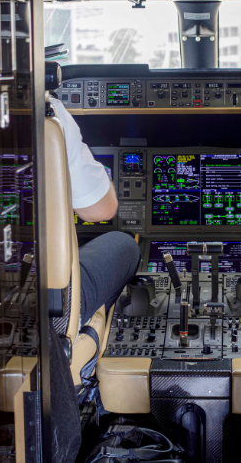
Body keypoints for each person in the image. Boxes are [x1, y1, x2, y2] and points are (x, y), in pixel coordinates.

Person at [49, 96, 141, 325]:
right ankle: (84, 327)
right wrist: (101, 179)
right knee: (126, 244)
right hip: (54, 304)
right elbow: (101, 210)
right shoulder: (51, 112)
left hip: (1, 286)